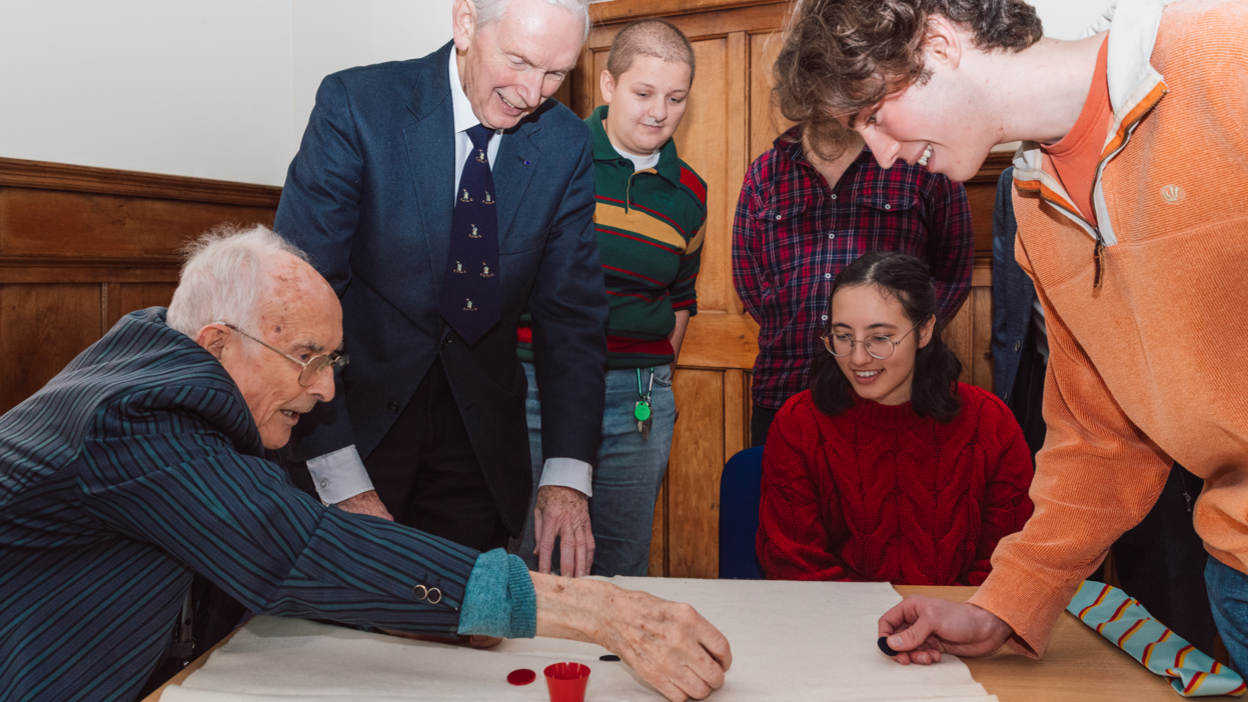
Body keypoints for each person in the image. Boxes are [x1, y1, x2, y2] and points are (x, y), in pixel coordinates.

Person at [0, 226, 731, 702]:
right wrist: (601, 609)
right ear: (220, 343)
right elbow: (301, 550)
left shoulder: (166, 359)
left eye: (332, 362)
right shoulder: (140, 419)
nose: (323, 391)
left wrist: (447, 613)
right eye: (307, 359)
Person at [780, 0, 1248, 671]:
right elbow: (1102, 440)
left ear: (937, 45)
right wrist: (1005, 603)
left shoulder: (1222, 50)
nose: (879, 156)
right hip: (1236, 575)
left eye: (874, 117)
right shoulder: (1034, 205)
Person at [274, 0, 608, 576]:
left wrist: (567, 475)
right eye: (520, 61)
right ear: (464, 25)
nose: (532, 93)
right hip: (353, 422)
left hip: (478, 446)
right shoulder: (358, 107)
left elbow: (571, 315)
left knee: (465, 638)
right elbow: (300, 293)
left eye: (556, 74)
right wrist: (337, 475)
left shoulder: (565, 144)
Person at [516, 19, 706, 577]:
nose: (658, 112)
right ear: (607, 86)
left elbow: (681, 297)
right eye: (643, 93)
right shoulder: (548, 154)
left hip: (639, 401)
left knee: (621, 560)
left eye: (675, 99)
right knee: (531, 554)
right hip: (534, 389)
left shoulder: (690, 192)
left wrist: (652, 367)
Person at [757, 251, 1033, 586]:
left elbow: (1009, 562)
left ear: (925, 330)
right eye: (843, 336)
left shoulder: (989, 422)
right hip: (835, 623)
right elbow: (795, 564)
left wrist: (946, 621)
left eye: (880, 337)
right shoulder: (799, 423)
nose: (858, 358)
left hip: (963, 625)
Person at [733, 81, 973, 448]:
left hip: (898, 399)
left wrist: (894, 344)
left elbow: (953, 269)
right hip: (784, 390)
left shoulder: (916, 161)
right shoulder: (764, 174)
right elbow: (749, 280)